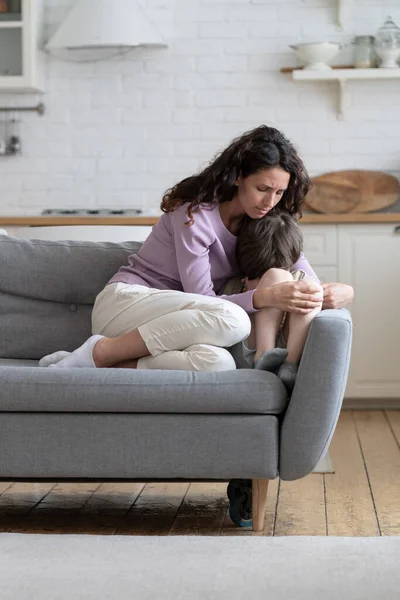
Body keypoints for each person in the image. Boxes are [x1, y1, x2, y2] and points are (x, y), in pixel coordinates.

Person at [39, 125, 353, 374]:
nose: (270, 201)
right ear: (239, 178)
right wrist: (263, 297)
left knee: (218, 364)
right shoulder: (194, 217)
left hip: (185, 324)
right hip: (129, 305)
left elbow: (300, 271)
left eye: (278, 192)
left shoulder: (262, 220)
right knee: (234, 320)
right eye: (262, 189)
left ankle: (109, 365)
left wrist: (342, 292)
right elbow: (202, 300)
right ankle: (100, 350)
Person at [234, 212, 322, 390]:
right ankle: (265, 355)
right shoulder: (236, 282)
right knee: (278, 276)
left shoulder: (300, 278)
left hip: (286, 351)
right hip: (251, 348)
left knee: (311, 287)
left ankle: (289, 365)